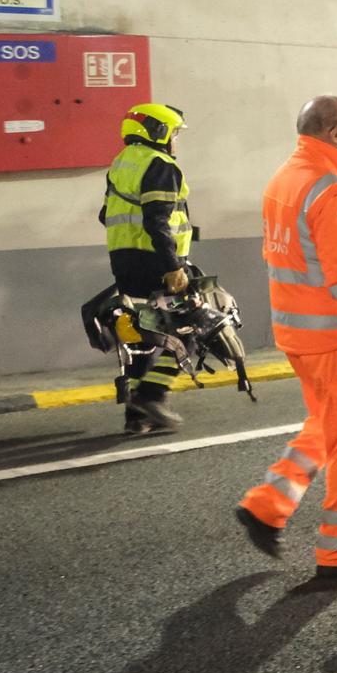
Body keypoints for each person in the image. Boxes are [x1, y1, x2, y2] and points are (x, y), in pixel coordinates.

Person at [232, 95, 337, 581]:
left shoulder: (286, 179)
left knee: (328, 423)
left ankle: (268, 504)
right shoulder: (333, 193)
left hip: (299, 334)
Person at [100, 103, 196, 435]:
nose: (175, 141)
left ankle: (135, 417)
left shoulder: (121, 164)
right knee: (190, 330)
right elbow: (157, 221)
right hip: (157, 263)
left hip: (125, 262)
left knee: (142, 337)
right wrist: (172, 267)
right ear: (159, 131)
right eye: (174, 133)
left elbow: (105, 214)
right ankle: (151, 396)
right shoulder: (160, 165)